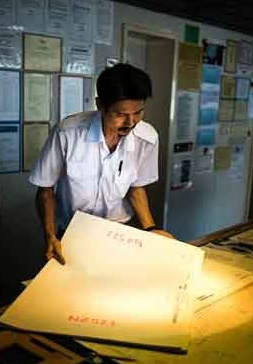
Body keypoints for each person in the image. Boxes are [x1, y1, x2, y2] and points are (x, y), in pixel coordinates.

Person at [29, 63, 173, 265]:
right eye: (121, 114)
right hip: (70, 233)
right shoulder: (68, 133)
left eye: (138, 113)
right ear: (100, 105)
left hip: (120, 233)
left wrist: (151, 228)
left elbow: (136, 187)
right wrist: (50, 235)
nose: (131, 123)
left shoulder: (147, 137)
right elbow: (45, 188)